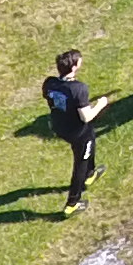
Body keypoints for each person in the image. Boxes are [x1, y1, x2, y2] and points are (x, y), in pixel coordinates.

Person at [43, 50, 108, 213]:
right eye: (79, 61)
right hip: (78, 132)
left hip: (59, 126)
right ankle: (72, 203)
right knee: (80, 163)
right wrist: (101, 104)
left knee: (91, 140)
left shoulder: (49, 83)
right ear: (74, 67)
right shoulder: (78, 89)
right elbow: (86, 117)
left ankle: (91, 173)